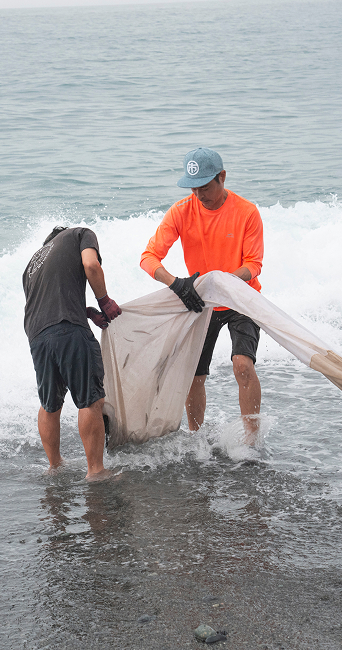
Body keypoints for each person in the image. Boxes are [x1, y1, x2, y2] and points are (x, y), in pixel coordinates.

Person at [140, 147, 265, 442]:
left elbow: (253, 265)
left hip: (241, 298)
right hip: (201, 302)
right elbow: (148, 257)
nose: (199, 195)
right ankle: (197, 440)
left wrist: (223, 281)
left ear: (222, 177)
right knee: (194, 376)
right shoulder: (181, 212)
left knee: (242, 365)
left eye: (205, 187)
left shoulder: (247, 212)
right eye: (193, 188)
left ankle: (252, 440)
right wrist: (176, 284)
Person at [23, 225, 122, 480]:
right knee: (90, 399)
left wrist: (85, 312)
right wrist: (104, 301)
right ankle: (96, 471)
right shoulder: (79, 234)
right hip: (68, 329)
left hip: (37, 336)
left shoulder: (32, 265)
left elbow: (48, 302)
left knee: (49, 403)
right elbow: (91, 265)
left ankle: (55, 466)